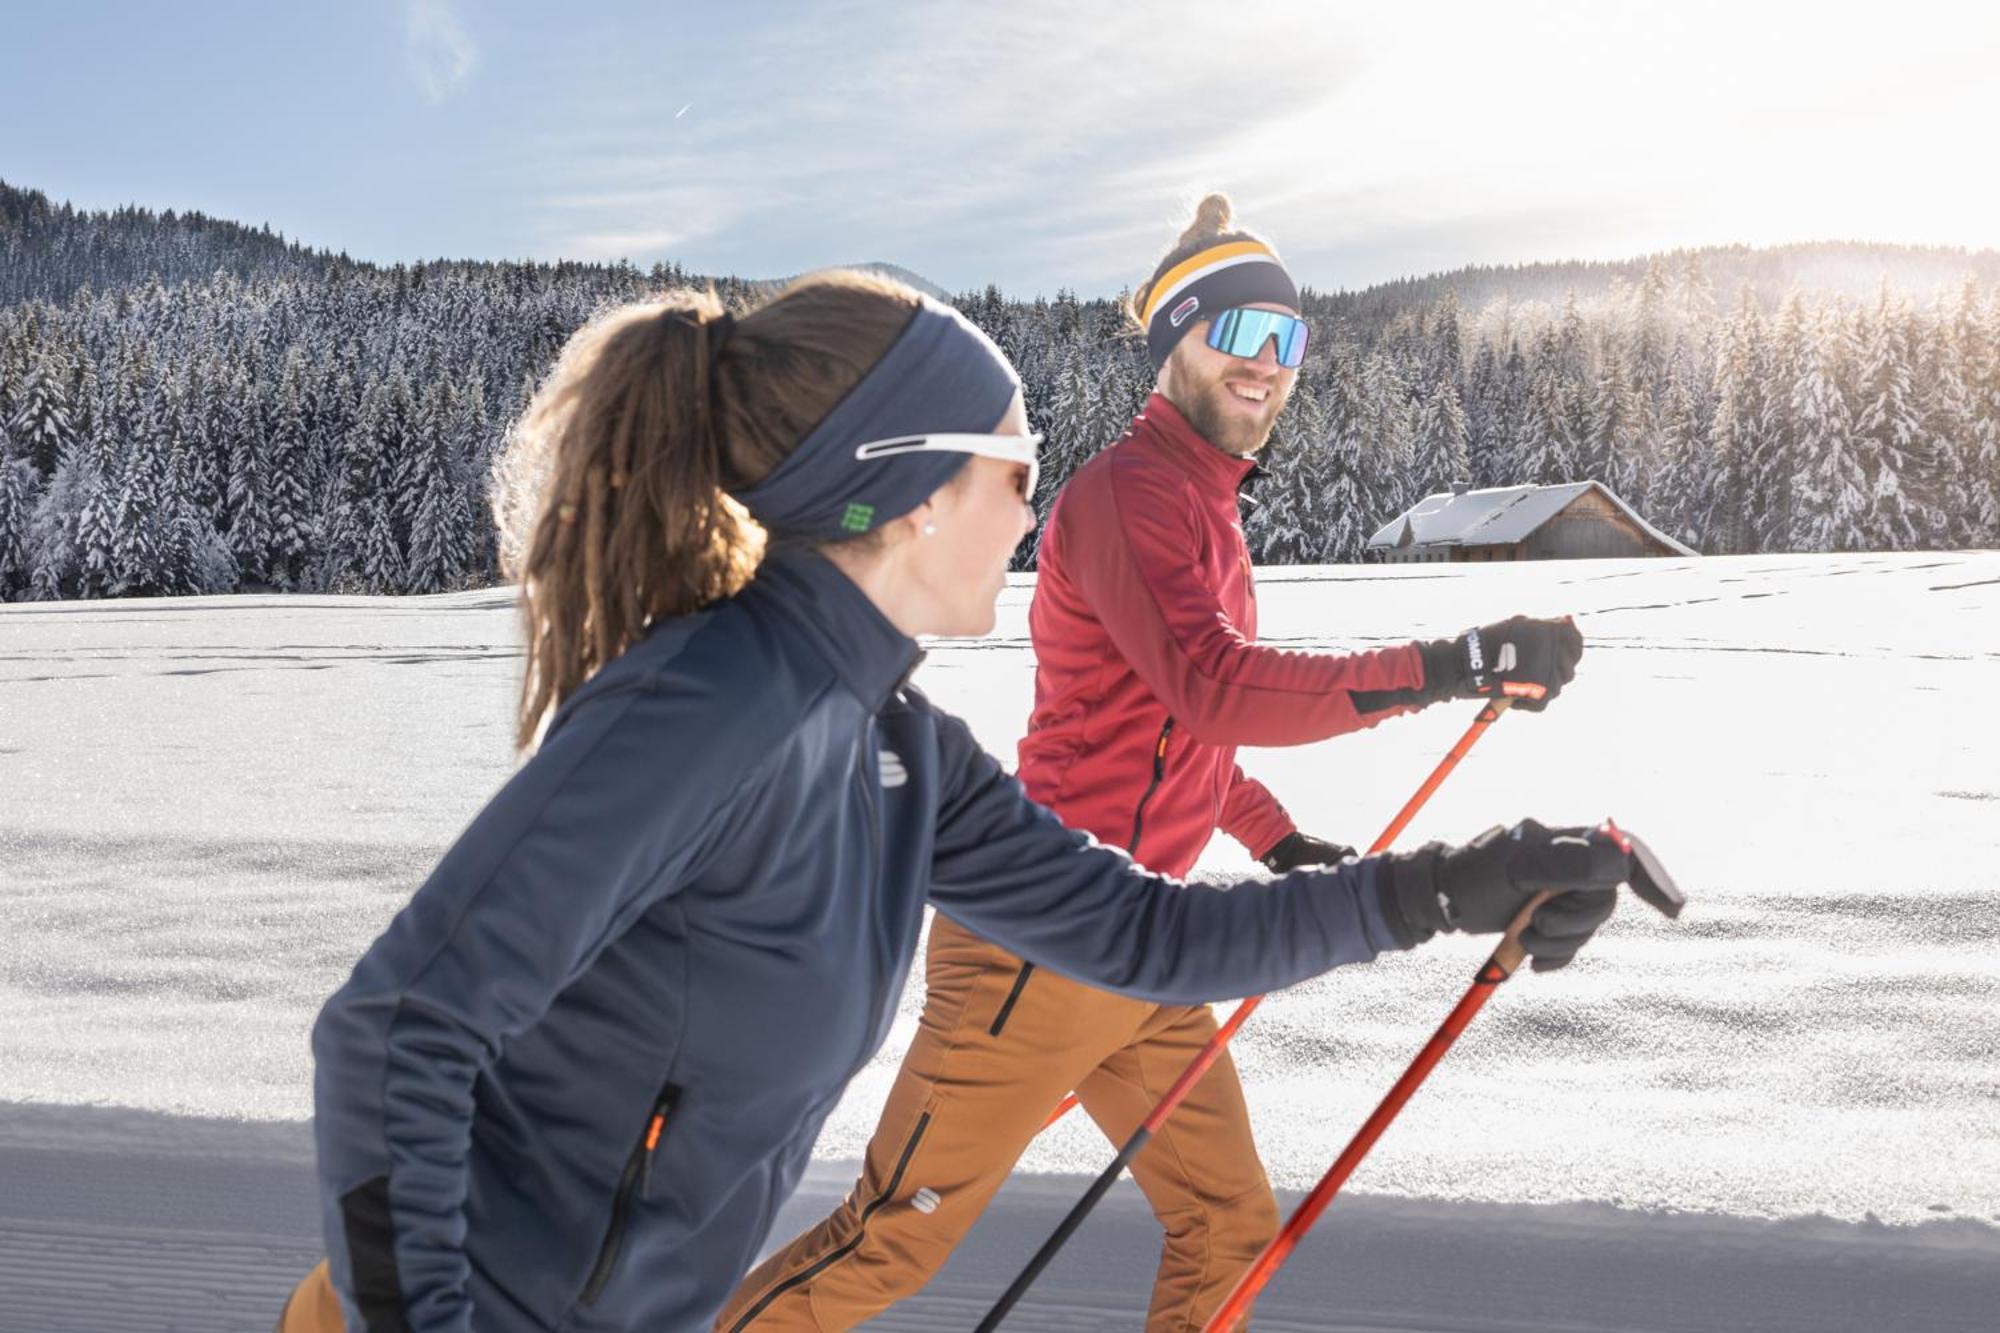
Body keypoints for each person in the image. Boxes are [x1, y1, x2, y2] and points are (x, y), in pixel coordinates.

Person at [279, 270, 1622, 1333]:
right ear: (913, 489)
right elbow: (398, 1031)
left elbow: (1154, 941)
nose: (1038, 514)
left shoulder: (899, 748)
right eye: (1015, 473)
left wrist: (1456, 884)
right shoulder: (711, 705)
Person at [722, 200, 1586, 1332]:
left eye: (1290, 343)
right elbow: (1210, 684)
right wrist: (1446, 664)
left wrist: (1270, 834)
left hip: (1144, 947)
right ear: (1175, 338)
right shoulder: (1129, 495)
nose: (1267, 366)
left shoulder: (1202, 510)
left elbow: (1184, 738)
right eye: (1240, 332)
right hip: (1038, 936)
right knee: (890, 1235)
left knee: (1226, 1224)